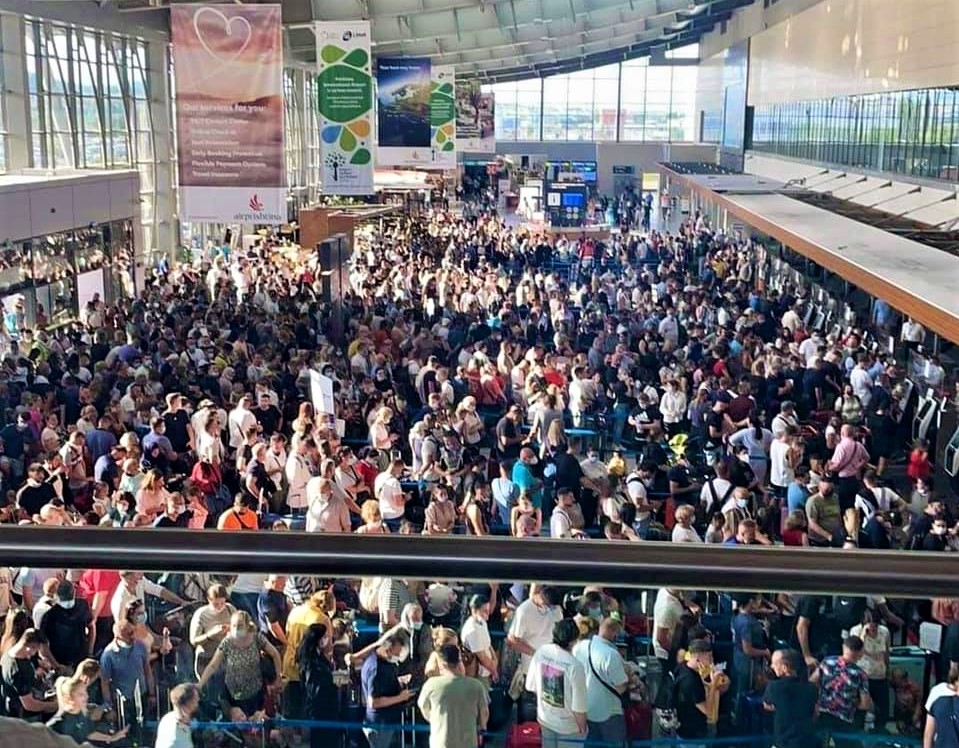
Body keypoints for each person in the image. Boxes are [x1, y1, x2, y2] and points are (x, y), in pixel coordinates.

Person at [526, 619, 588, 748]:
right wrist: (583, 727)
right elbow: (578, 706)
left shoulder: (542, 651)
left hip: (545, 718)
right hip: (568, 726)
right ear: (574, 640)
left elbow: (530, 685)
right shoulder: (575, 666)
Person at [418, 644, 488, 748]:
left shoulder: (430, 685)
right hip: (468, 742)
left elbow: (424, 707)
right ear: (459, 661)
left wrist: (436, 720)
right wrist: (482, 728)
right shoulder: (476, 685)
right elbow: (484, 712)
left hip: (440, 742)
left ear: (442, 663)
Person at [572, 616, 629, 744]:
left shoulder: (580, 647)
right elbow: (621, 686)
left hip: (586, 709)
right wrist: (630, 677)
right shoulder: (611, 655)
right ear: (614, 633)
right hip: (609, 712)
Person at [816, 636, 872, 748]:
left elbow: (813, 681)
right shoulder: (860, 674)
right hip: (843, 716)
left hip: (822, 712)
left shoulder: (827, 662)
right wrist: (852, 703)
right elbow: (865, 704)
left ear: (844, 647)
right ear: (861, 652)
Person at [361, 632, 414, 748]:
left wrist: (398, 681)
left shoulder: (385, 662)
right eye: (397, 653)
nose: (398, 656)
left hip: (387, 722)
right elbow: (374, 702)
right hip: (379, 725)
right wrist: (400, 697)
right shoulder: (375, 668)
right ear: (388, 650)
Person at [47, 674, 128, 744]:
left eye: (85, 692)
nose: (87, 696)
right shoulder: (59, 724)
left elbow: (89, 733)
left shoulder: (81, 714)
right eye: (81, 694)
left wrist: (112, 738)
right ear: (69, 698)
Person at [674, 638, 729, 742]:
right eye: (709, 657)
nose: (711, 660)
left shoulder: (682, 667)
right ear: (699, 657)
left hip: (684, 728)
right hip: (693, 735)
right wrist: (713, 684)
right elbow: (707, 711)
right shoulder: (692, 682)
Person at [762, 649, 819, 748]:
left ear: (785, 667)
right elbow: (815, 713)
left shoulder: (774, 687)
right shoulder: (812, 688)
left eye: (774, 664)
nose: (771, 666)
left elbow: (767, 705)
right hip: (807, 742)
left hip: (783, 742)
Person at [299, 623, 340, 748]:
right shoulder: (311, 663)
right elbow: (315, 689)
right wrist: (332, 682)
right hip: (320, 711)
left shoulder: (319, 656)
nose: (327, 639)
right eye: (324, 636)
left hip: (328, 709)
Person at [850, 610, 891, 729]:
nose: (873, 629)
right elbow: (855, 653)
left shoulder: (884, 632)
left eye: (875, 626)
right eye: (870, 626)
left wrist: (888, 669)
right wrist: (863, 636)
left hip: (880, 675)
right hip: (863, 676)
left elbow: (887, 653)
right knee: (861, 711)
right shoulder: (856, 631)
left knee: (882, 711)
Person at [460, 594, 498, 687]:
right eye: (485, 611)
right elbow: (483, 658)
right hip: (479, 676)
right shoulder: (473, 630)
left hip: (487, 671)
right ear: (474, 610)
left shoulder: (481, 622)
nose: (488, 614)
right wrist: (494, 670)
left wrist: (495, 661)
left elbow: (488, 645)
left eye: (488, 610)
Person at [155, 682, 200, 748]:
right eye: (195, 700)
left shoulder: (167, 718)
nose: (198, 701)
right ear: (188, 704)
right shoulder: (178, 741)